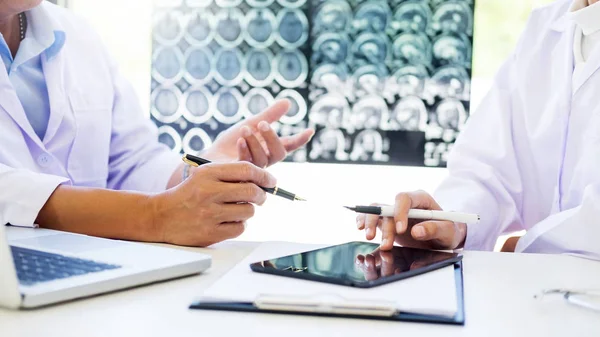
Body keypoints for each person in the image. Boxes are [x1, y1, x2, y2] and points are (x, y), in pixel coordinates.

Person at [0, 1, 314, 247]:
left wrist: (203, 167)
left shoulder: (76, 34)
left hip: (94, 279)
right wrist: (156, 217)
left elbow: (130, 160)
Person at [357, 0, 600, 260]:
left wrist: (526, 249)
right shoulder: (545, 28)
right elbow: (490, 168)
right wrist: (450, 222)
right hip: (539, 289)